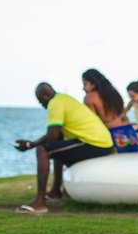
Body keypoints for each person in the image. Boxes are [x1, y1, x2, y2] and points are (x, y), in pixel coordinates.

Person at [14, 83, 114, 213]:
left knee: (43, 150)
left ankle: (39, 202)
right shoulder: (64, 99)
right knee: (56, 147)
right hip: (103, 143)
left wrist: (30, 145)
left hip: (94, 143)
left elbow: (51, 136)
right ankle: (55, 191)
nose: (41, 105)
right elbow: (57, 138)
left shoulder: (54, 104)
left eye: (40, 101)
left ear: (45, 96)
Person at [82, 68, 138, 153]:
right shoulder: (114, 93)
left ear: (93, 84)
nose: (83, 88)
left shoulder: (90, 98)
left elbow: (93, 123)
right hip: (129, 132)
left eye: (85, 84)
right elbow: (123, 113)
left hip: (114, 135)